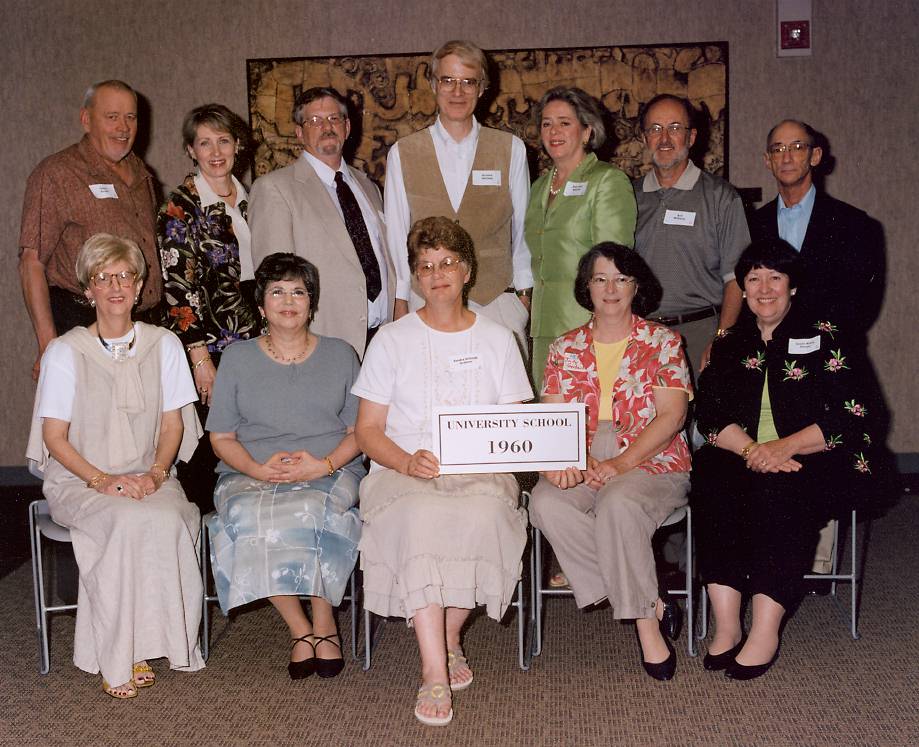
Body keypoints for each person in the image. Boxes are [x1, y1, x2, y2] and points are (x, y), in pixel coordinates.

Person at [352, 216, 532, 726]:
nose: (438, 274)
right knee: (420, 517)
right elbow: (368, 431)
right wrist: (407, 461)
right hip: (404, 470)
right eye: (425, 266)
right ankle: (434, 669)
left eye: (448, 262)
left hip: (481, 470)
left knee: (483, 517)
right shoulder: (390, 339)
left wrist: (489, 456)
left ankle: (451, 637)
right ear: (414, 277)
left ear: (468, 270)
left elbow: (517, 423)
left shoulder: (498, 339)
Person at [25, 233, 204, 700]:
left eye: (125, 275)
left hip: (150, 473)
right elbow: (54, 438)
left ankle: (151, 640)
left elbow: (172, 427)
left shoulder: (165, 345)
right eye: (103, 278)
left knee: (167, 517)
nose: (116, 286)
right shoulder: (65, 351)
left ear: (141, 285)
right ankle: (118, 652)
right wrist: (102, 480)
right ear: (88, 290)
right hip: (80, 478)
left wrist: (156, 474)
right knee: (123, 522)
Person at [692, 238, 873, 680]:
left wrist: (783, 447)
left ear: (793, 286)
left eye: (776, 277)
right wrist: (755, 450)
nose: (765, 288)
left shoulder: (826, 335)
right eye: (754, 279)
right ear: (744, 288)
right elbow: (709, 414)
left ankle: (766, 629)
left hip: (814, 456)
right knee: (713, 482)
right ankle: (728, 623)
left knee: (780, 492)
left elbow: (855, 414)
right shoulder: (731, 342)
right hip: (743, 454)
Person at [529, 242, 692, 681]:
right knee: (545, 504)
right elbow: (552, 415)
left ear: (637, 285)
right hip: (581, 451)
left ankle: (645, 625)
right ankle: (651, 598)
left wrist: (620, 464)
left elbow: (672, 415)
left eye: (621, 278)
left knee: (619, 506)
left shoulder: (662, 341)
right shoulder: (565, 347)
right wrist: (565, 461)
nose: (611, 288)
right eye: (600, 278)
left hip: (650, 455)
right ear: (587, 287)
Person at [206, 253, 364, 680]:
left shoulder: (341, 353)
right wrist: (257, 470)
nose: (288, 300)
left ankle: (324, 621)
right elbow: (221, 438)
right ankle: (299, 630)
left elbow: (361, 431)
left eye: (298, 291)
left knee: (314, 511)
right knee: (248, 515)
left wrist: (324, 464)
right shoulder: (237, 359)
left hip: (331, 467)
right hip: (249, 472)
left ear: (312, 303)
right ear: (261, 306)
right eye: (277, 291)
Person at [384, 40, 533, 353]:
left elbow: (523, 229)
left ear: (482, 89)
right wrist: (401, 300)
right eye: (448, 80)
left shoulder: (510, 149)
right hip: (426, 302)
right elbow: (397, 234)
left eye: (468, 82)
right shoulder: (403, 153)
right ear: (433, 85)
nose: (457, 92)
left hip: (496, 301)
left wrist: (524, 294)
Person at [19, 80, 162, 381]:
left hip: (142, 328)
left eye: (131, 117)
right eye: (112, 117)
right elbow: (31, 262)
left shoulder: (143, 175)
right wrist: (48, 344)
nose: (123, 127)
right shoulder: (57, 173)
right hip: (82, 324)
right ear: (86, 120)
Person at [157, 103, 260, 507]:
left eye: (223, 140)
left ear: (237, 145)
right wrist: (202, 363)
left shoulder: (252, 197)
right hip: (209, 348)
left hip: (254, 345)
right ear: (190, 150)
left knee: (248, 446)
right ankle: (202, 562)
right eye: (205, 143)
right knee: (206, 457)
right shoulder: (180, 207)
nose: (215, 151)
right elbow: (179, 292)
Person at [248, 86, 394, 358]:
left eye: (334, 119)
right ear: (299, 132)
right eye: (314, 121)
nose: (326, 127)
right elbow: (275, 286)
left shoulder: (368, 187)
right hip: (320, 346)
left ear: (347, 127)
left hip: (383, 341)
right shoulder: (275, 189)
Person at [524, 86, 637, 389]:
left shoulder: (607, 181)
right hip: (543, 325)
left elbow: (615, 263)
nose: (554, 131)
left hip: (589, 322)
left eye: (565, 122)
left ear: (587, 131)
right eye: (547, 123)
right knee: (550, 421)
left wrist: (602, 322)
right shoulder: (537, 188)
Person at [632, 94, 750, 374]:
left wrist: (722, 339)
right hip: (640, 333)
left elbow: (737, 278)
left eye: (674, 128)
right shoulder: (627, 197)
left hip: (700, 333)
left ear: (692, 136)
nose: (664, 139)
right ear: (644, 138)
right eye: (655, 129)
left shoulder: (721, 197)